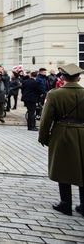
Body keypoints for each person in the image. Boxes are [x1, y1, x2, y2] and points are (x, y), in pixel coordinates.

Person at [38, 63, 84, 216]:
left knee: (63, 167)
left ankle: (65, 203)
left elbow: (46, 119)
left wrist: (44, 137)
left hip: (62, 132)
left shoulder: (55, 94)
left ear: (62, 77)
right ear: (78, 77)